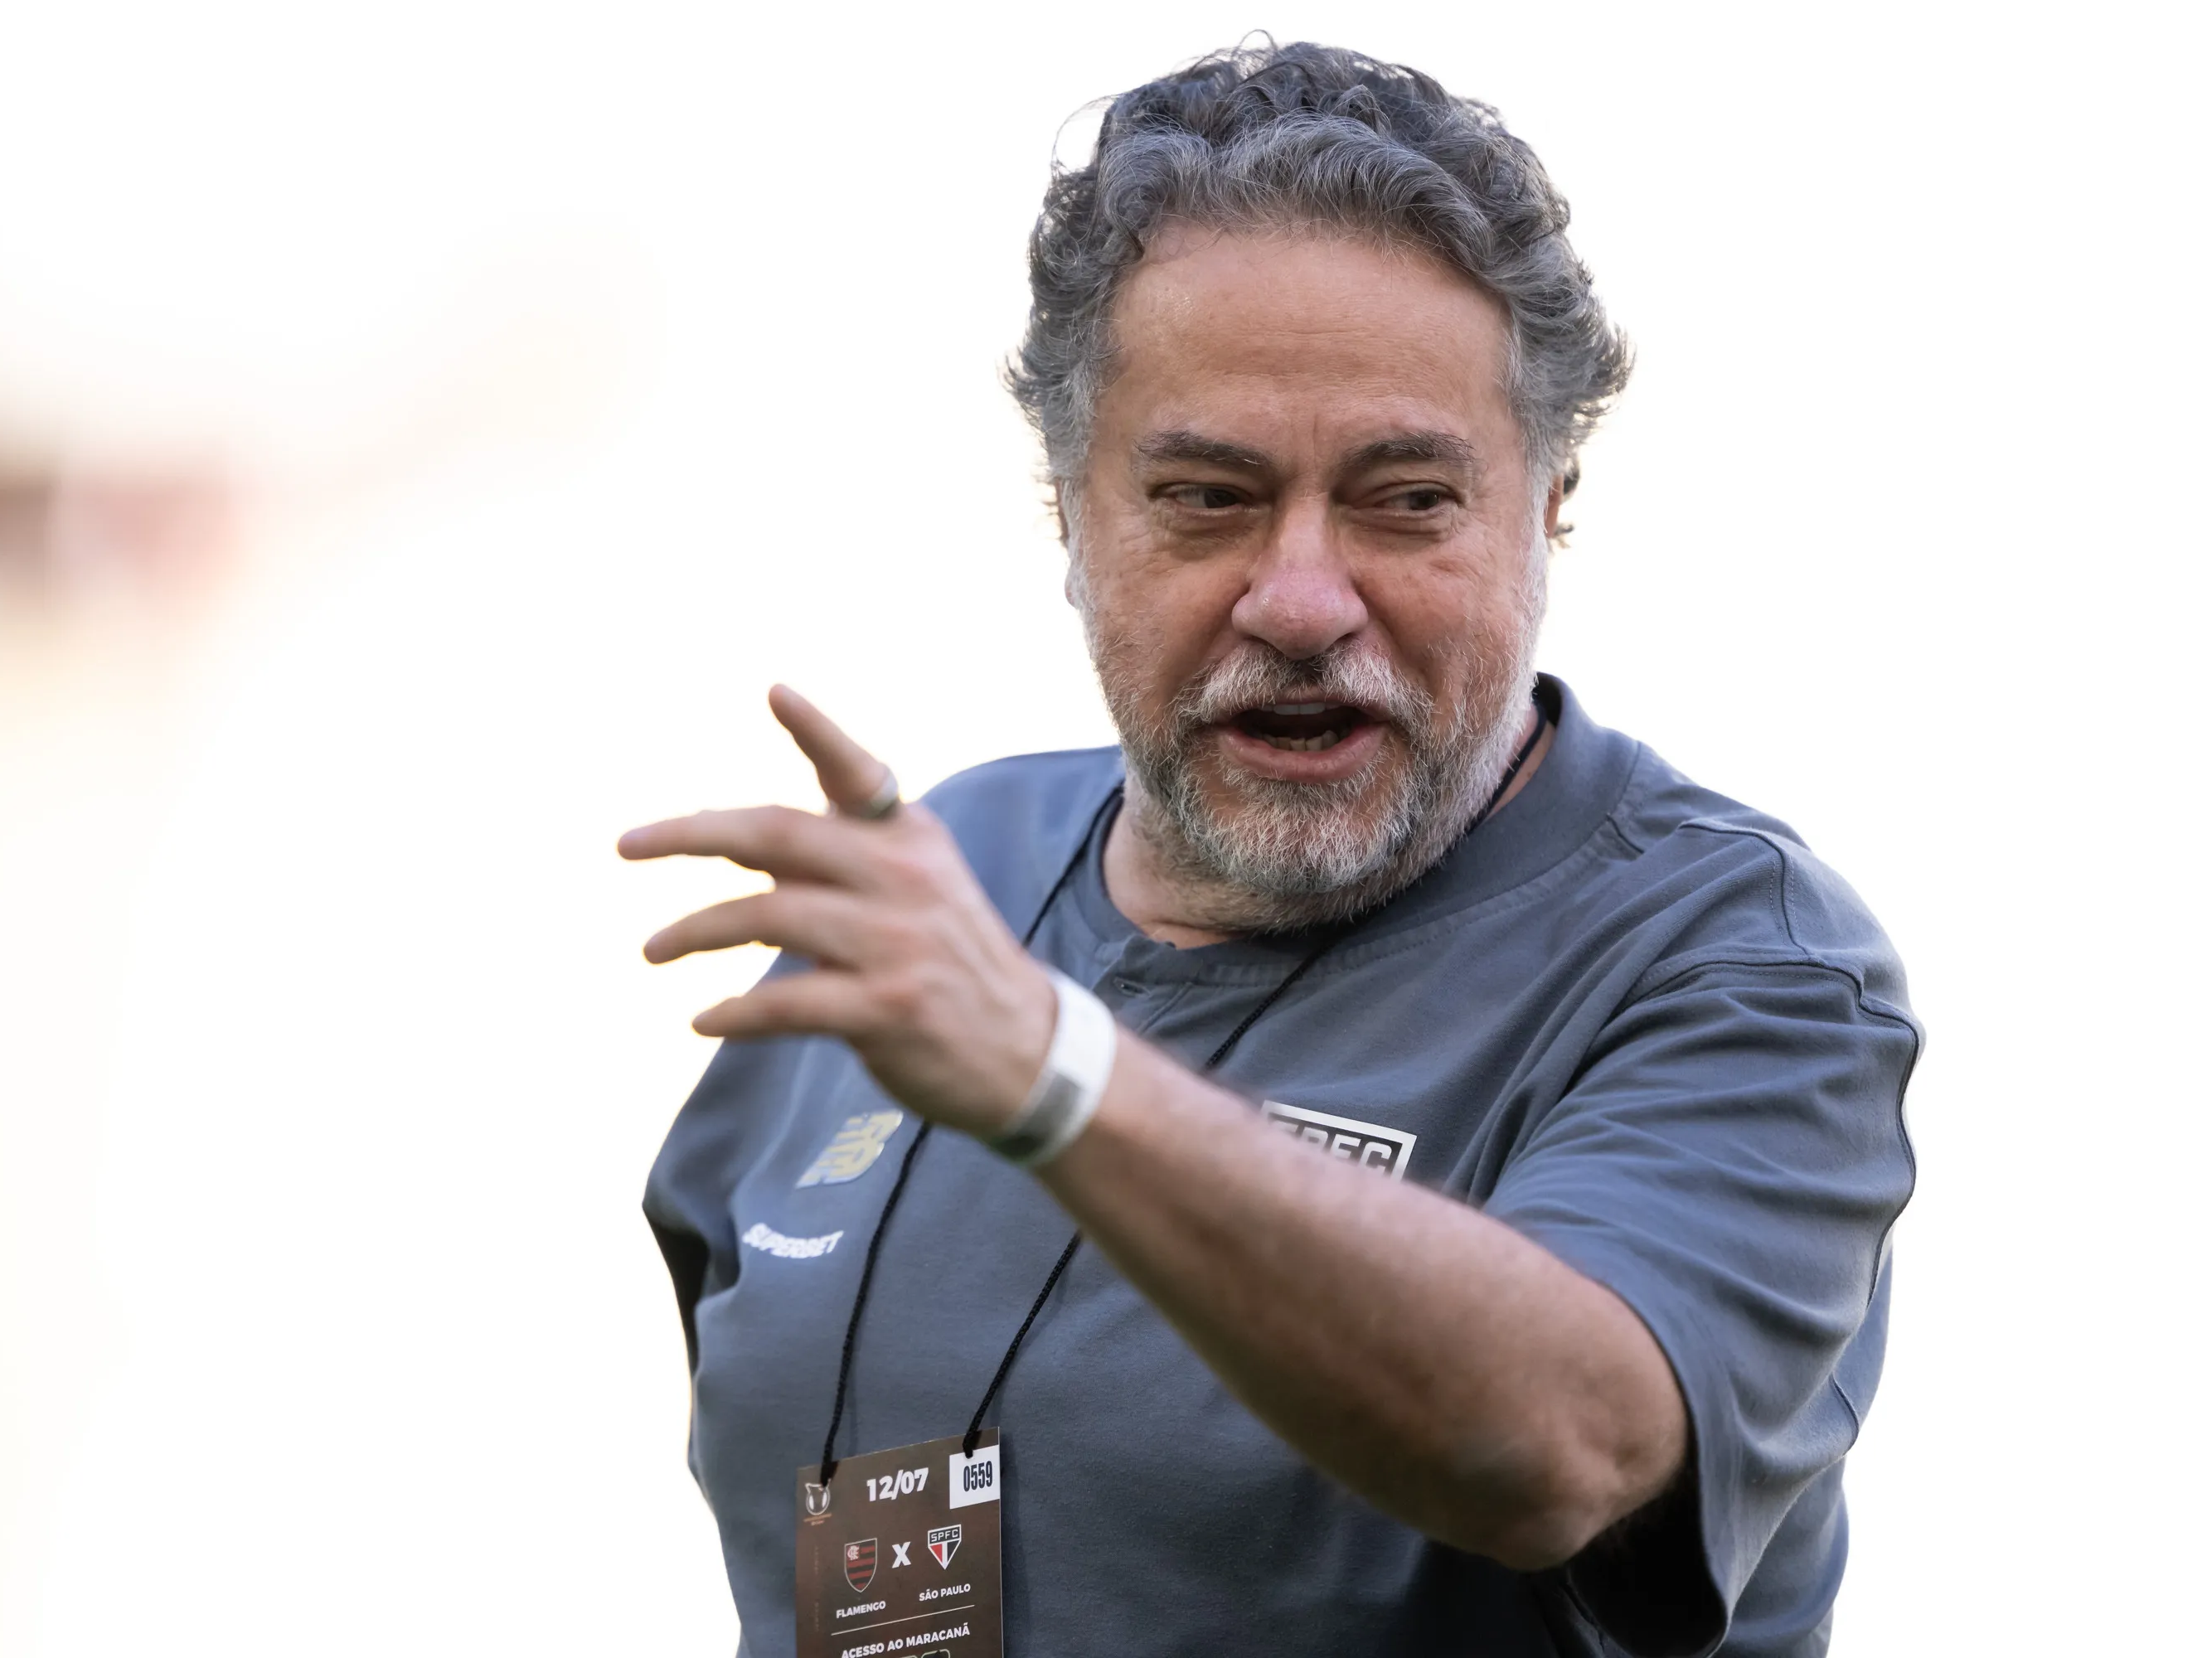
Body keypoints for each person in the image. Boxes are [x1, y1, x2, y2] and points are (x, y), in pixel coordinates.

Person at [628, 41, 1916, 1658]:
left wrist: (1054, 1072)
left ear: (1549, 506)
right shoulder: (932, 882)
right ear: (1070, 511)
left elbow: (1562, 1444)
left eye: (1407, 499)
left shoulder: (1736, 962)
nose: (1302, 602)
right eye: (1207, 497)